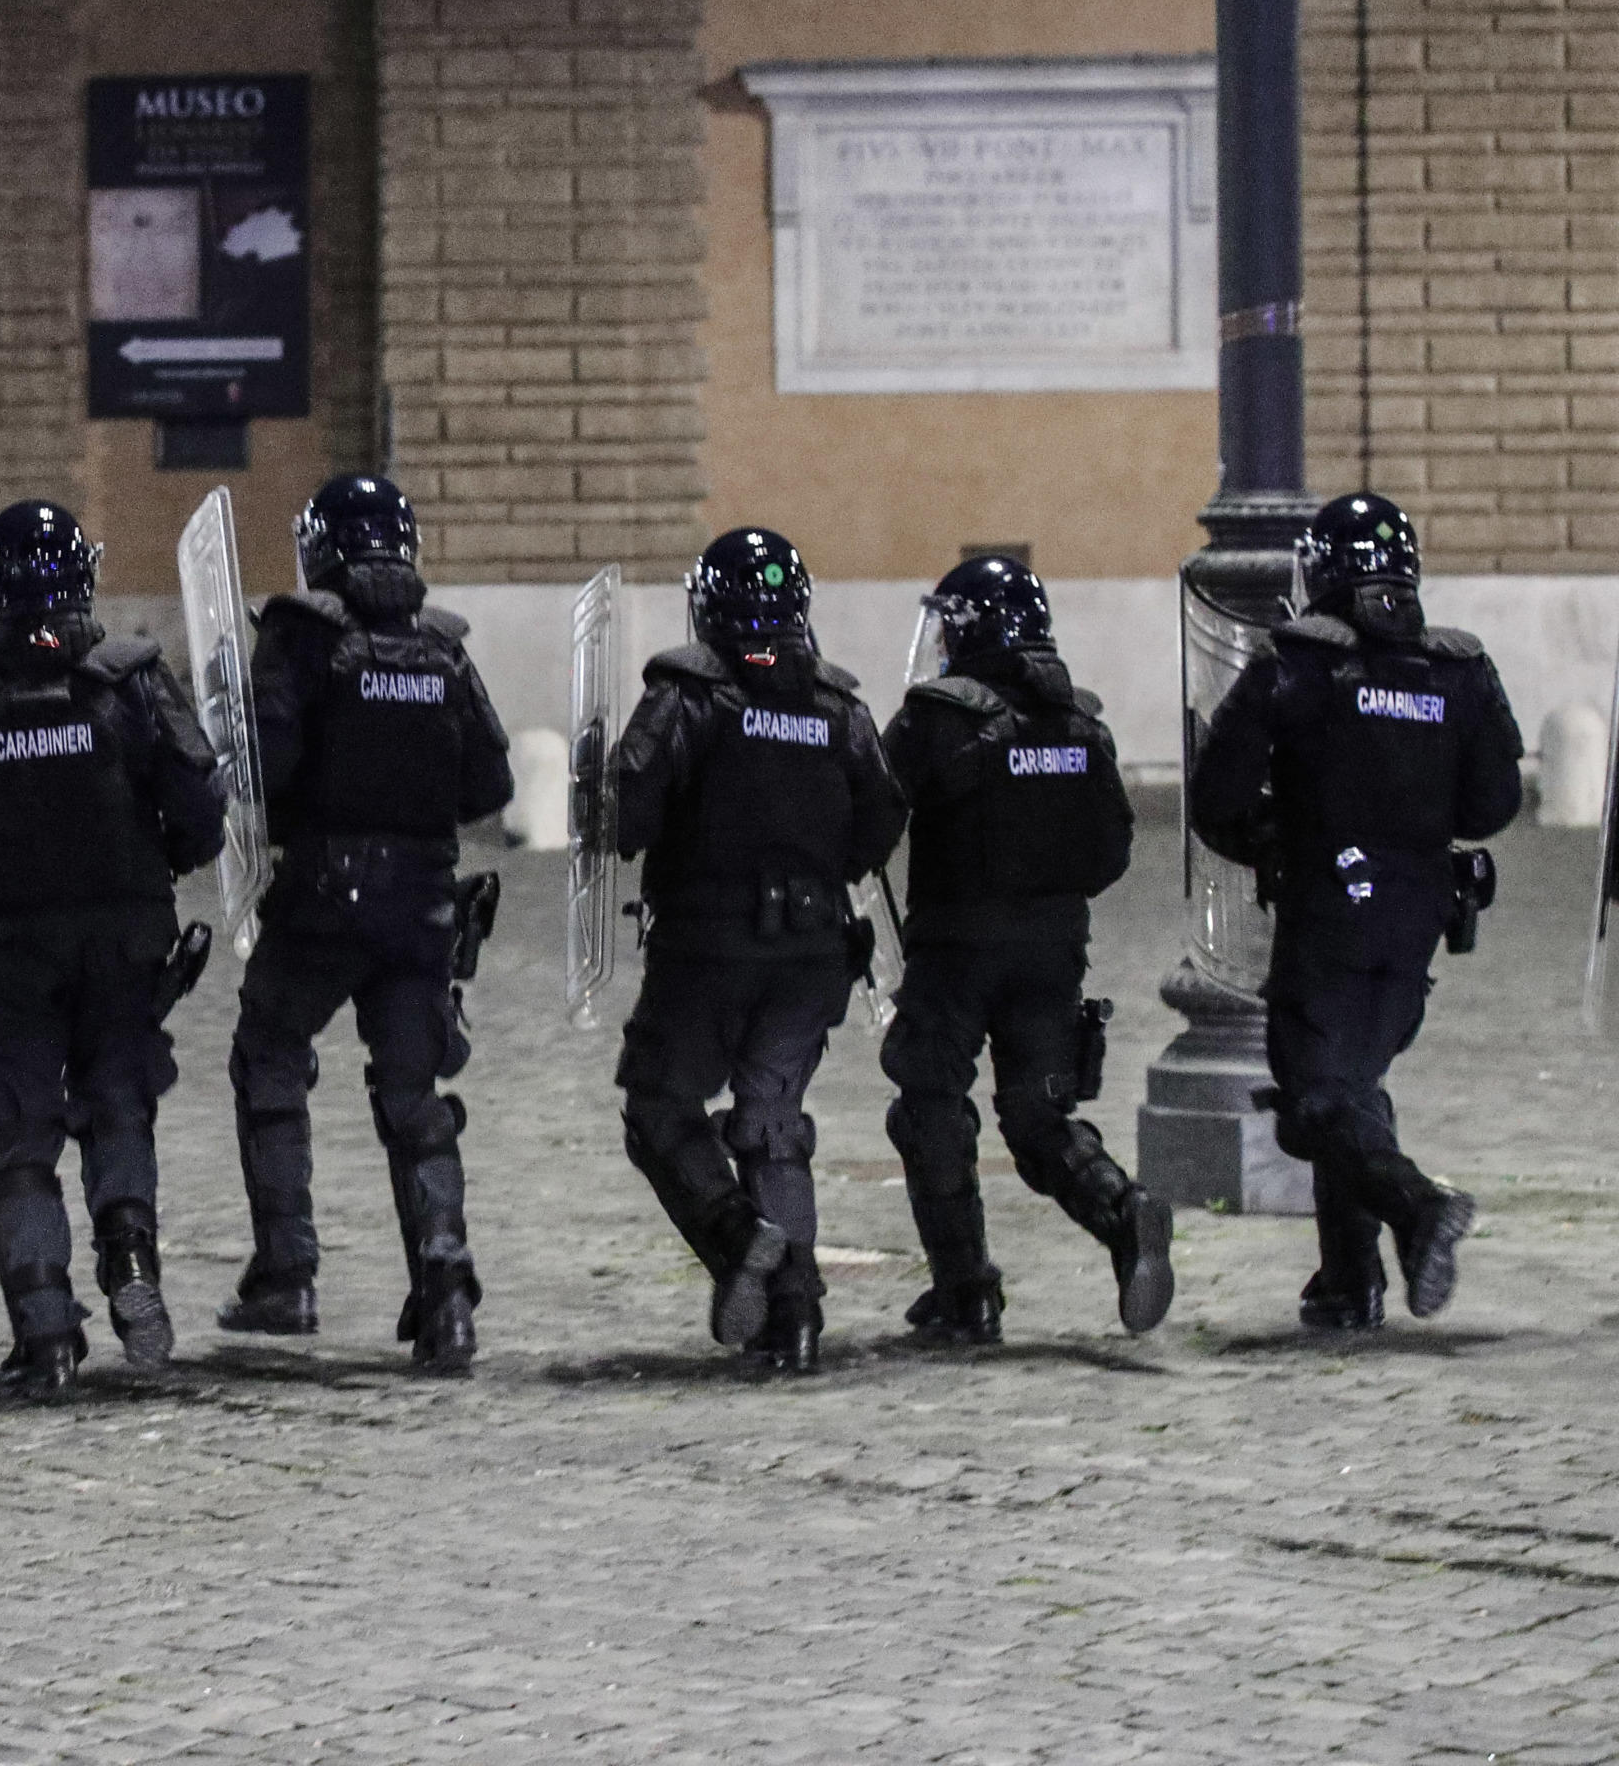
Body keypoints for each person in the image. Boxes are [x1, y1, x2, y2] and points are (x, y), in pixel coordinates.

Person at [0, 501, 227, 1398]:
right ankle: (129, 1258)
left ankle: (45, 1336)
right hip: (127, 939)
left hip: (11, 950)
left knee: (14, 1132)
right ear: (85, 576)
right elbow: (202, 814)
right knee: (119, 1104)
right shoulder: (133, 680)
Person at [1190, 493, 1521, 1329]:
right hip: (1418, 917)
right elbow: (1491, 802)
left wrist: (1278, 839)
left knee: (1314, 1102)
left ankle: (1417, 1209)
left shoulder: (1294, 661)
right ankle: (1350, 1280)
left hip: (1326, 909)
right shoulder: (1459, 668)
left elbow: (1218, 798)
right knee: (1353, 1087)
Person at [219, 475, 515, 1374]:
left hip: (322, 900)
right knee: (415, 1099)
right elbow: (490, 785)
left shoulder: (301, 634)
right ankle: (447, 1296)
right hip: (424, 908)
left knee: (269, 1052)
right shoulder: (442, 648)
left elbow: (262, 773)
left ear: (321, 550)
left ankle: (286, 1273)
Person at [602, 529, 906, 1373]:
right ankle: (797, 1318)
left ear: (706, 607)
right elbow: (882, 819)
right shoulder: (839, 707)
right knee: (772, 1125)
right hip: (811, 953)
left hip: (705, 948)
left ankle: (742, 1240)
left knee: (659, 1108)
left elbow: (631, 813)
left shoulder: (686, 695)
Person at [879, 555, 1170, 1343]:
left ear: (968, 630)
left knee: (931, 1106)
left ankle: (966, 1290)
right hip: (1054, 951)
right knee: (1037, 1113)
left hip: (955, 948)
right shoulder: (1079, 719)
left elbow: (870, 813)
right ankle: (1122, 1210)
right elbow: (1111, 849)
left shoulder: (939, 714)